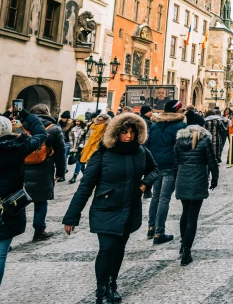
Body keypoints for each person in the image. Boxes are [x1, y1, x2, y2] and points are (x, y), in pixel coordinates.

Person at [63, 113, 158, 304]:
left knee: (119, 247)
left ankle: (112, 283)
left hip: (130, 207)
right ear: (116, 133)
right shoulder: (103, 153)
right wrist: (71, 216)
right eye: (124, 132)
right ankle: (101, 291)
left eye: (132, 132)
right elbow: (86, 186)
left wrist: (145, 184)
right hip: (106, 207)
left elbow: (154, 169)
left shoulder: (140, 151)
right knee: (107, 248)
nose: (129, 137)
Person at [0, 108, 48, 286]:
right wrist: (27, 115)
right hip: (7, 206)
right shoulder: (18, 147)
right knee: (1, 253)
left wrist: (4, 115)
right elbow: (41, 134)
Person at [173, 124, 218, 266]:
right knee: (193, 216)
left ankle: (182, 242)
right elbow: (212, 162)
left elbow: (175, 162)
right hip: (198, 178)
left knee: (185, 212)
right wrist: (215, 179)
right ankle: (187, 251)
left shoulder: (179, 141)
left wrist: (177, 178)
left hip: (183, 178)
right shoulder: (205, 141)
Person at [24, 104, 66, 242]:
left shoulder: (21, 127)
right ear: (47, 113)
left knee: (17, 202)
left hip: (21, 170)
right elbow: (60, 153)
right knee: (41, 202)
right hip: (44, 171)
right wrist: (60, 172)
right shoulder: (54, 129)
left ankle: (9, 235)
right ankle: (39, 231)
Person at [146, 100, 186, 244]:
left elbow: (148, 143)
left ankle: (151, 227)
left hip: (156, 164)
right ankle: (159, 232)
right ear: (176, 110)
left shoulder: (155, 125)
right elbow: (182, 146)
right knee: (164, 198)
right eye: (181, 109)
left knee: (156, 196)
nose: (183, 111)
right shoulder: (181, 125)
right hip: (170, 165)